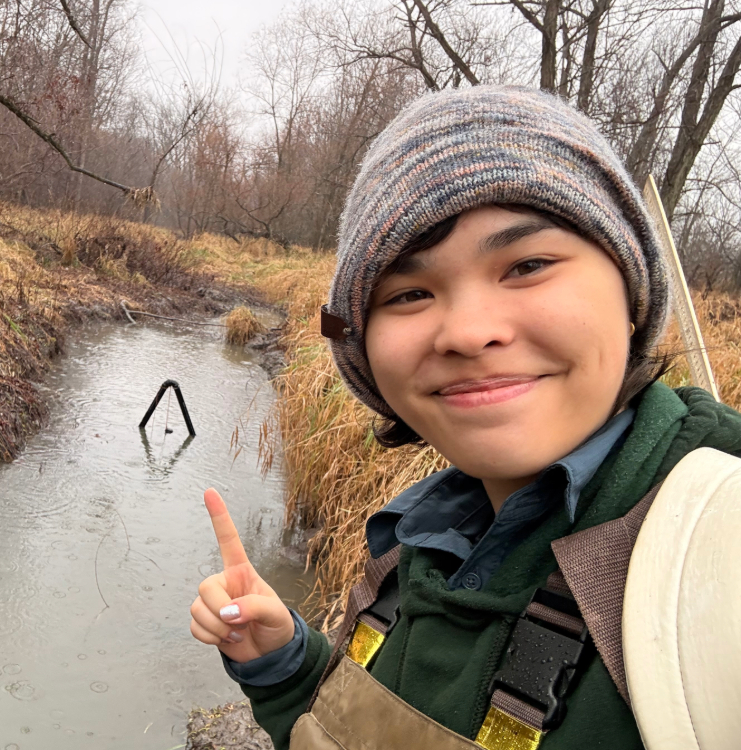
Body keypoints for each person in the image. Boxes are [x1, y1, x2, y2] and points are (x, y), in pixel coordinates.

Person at [188, 85, 741, 750]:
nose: (467, 332)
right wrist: (282, 665)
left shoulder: (720, 554)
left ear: (631, 291)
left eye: (527, 265)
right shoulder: (409, 545)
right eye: (410, 292)